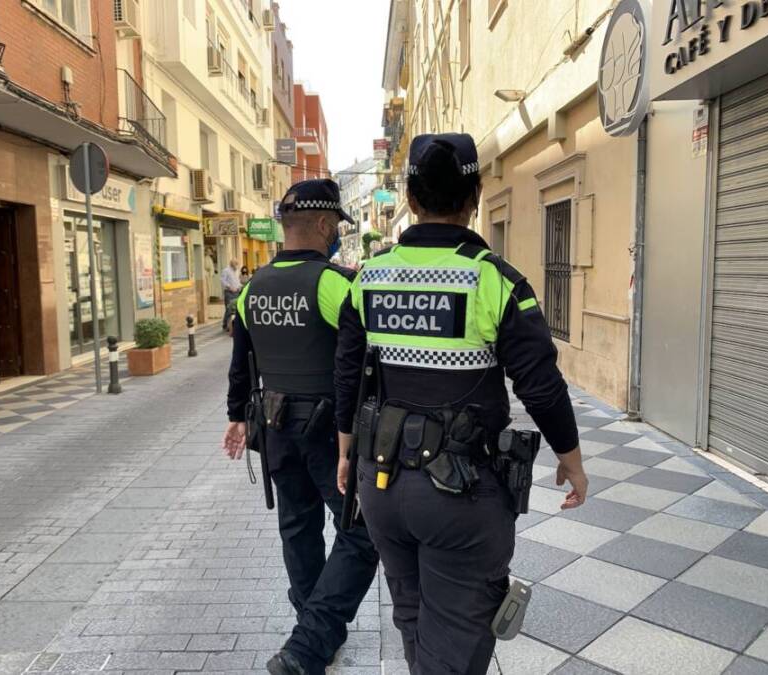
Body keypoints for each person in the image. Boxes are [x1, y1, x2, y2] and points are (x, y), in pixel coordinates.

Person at [334, 133, 589, 674]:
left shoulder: (368, 277)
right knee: (458, 635)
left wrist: (344, 452)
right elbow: (539, 383)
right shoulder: (495, 279)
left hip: (379, 483)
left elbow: (348, 374)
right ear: (475, 195)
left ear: (410, 197)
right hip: (461, 494)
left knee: (414, 618)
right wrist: (571, 457)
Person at [222, 179, 380, 675]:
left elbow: (240, 363)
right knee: (361, 531)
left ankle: (312, 632)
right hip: (329, 433)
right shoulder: (334, 284)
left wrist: (234, 418)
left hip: (273, 428)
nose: (336, 234)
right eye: (335, 226)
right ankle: (312, 638)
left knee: (298, 528)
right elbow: (363, 359)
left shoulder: (251, 290)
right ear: (322, 225)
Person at [220, 258, 242, 332]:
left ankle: (229, 325)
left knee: (234, 309)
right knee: (229, 309)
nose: (237, 266)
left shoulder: (236, 271)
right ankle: (226, 325)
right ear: (232, 264)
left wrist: (240, 287)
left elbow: (237, 281)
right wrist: (229, 287)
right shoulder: (226, 270)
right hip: (229, 292)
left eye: (237, 265)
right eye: (236, 264)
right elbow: (223, 281)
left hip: (236, 292)